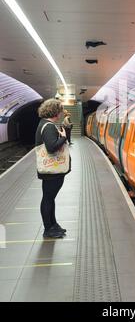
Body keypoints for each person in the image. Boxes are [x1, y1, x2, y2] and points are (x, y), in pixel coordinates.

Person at [35, 99, 71, 238]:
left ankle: (53, 225)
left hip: (52, 171)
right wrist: (63, 137)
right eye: (60, 110)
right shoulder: (49, 126)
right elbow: (51, 148)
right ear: (55, 112)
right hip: (52, 171)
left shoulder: (44, 123)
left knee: (50, 198)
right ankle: (48, 228)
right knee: (48, 198)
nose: (62, 113)